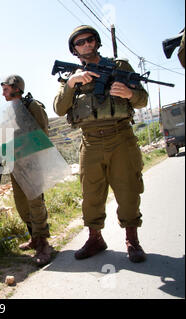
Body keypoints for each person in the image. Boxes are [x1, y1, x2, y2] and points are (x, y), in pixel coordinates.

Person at [53, 25, 148, 263]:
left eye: (89, 40)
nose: (85, 45)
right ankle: (95, 238)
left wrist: (129, 94)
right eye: (79, 43)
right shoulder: (69, 76)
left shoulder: (120, 67)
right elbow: (59, 108)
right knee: (91, 193)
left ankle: (132, 240)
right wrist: (72, 83)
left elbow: (142, 99)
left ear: (96, 42)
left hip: (121, 137)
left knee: (128, 189)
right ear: (73, 49)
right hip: (91, 141)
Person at [0, 75, 53, 266]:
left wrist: (17, 146)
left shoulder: (32, 106)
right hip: (16, 163)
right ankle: (33, 237)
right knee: (22, 204)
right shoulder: (9, 111)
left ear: (17, 89)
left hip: (32, 163)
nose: (3, 93)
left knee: (35, 203)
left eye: (6, 89)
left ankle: (43, 244)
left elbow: (42, 135)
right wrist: (1, 147)